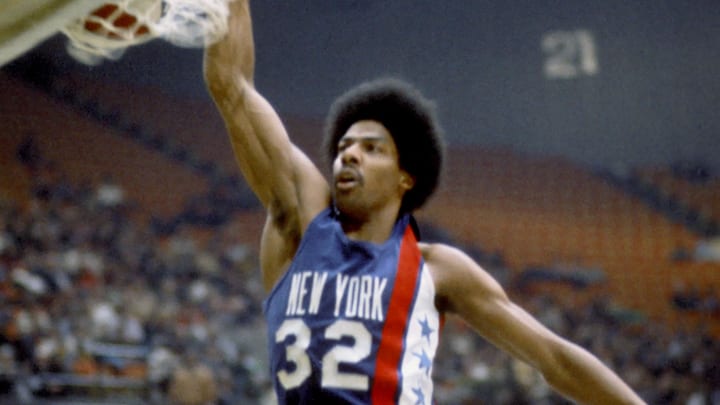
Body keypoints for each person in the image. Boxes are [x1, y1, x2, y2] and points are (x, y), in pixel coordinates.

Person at [203, 1, 645, 404]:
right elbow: (232, 86)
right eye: (343, 146)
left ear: (405, 178)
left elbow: (555, 359)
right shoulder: (300, 227)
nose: (349, 154)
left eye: (371, 148)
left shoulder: (438, 269)